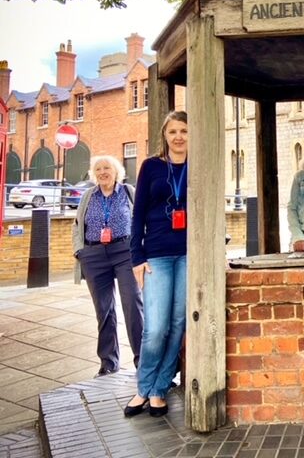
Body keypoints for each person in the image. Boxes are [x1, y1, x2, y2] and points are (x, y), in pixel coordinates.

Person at [124, 110, 188, 418]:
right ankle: (143, 387)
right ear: (165, 135)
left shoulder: (196, 165)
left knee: (178, 325)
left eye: (184, 131)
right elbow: (136, 216)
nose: (178, 136)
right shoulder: (151, 166)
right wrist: (137, 257)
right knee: (156, 328)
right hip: (157, 257)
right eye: (173, 131)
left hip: (189, 255)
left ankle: (161, 388)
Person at [72, 155, 143, 377]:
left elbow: (141, 221)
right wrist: (79, 251)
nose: (103, 172)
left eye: (107, 168)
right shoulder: (88, 196)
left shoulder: (128, 192)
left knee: (133, 304)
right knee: (103, 310)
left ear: (116, 172)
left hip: (124, 252)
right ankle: (108, 362)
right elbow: (77, 225)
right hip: (94, 255)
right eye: (99, 169)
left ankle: (143, 360)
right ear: (94, 174)